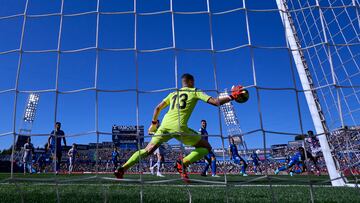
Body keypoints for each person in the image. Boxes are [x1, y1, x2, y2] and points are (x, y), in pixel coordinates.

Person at [114, 73, 247, 182]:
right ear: (190, 82)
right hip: (179, 127)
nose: (194, 84)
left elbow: (157, 108)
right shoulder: (195, 91)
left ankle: (123, 169)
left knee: (147, 150)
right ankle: (183, 163)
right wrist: (232, 96)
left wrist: (154, 124)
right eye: (193, 81)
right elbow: (216, 102)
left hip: (164, 126)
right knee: (206, 147)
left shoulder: (173, 94)